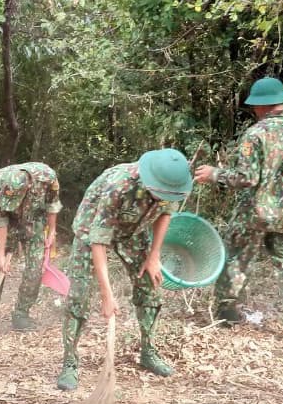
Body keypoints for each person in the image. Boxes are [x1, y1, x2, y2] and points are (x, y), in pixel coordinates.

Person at [194, 77, 283, 338]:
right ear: (282, 102)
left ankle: (228, 313)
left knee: (237, 257)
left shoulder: (256, 134)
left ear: (260, 107)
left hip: (254, 213)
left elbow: (247, 178)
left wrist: (215, 174)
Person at [56, 149, 192, 391]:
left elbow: (165, 214)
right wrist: (107, 296)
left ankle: (148, 352)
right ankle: (70, 362)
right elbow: (99, 242)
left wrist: (154, 256)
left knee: (149, 285)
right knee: (78, 293)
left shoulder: (173, 183)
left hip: (133, 231)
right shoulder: (119, 187)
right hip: (91, 230)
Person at [0, 162, 62, 331]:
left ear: (28, 187)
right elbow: (0, 220)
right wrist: (1, 256)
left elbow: (52, 204)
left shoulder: (46, 177)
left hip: (34, 222)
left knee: (35, 269)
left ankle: (21, 314)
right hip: (7, 224)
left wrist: (52, 231)